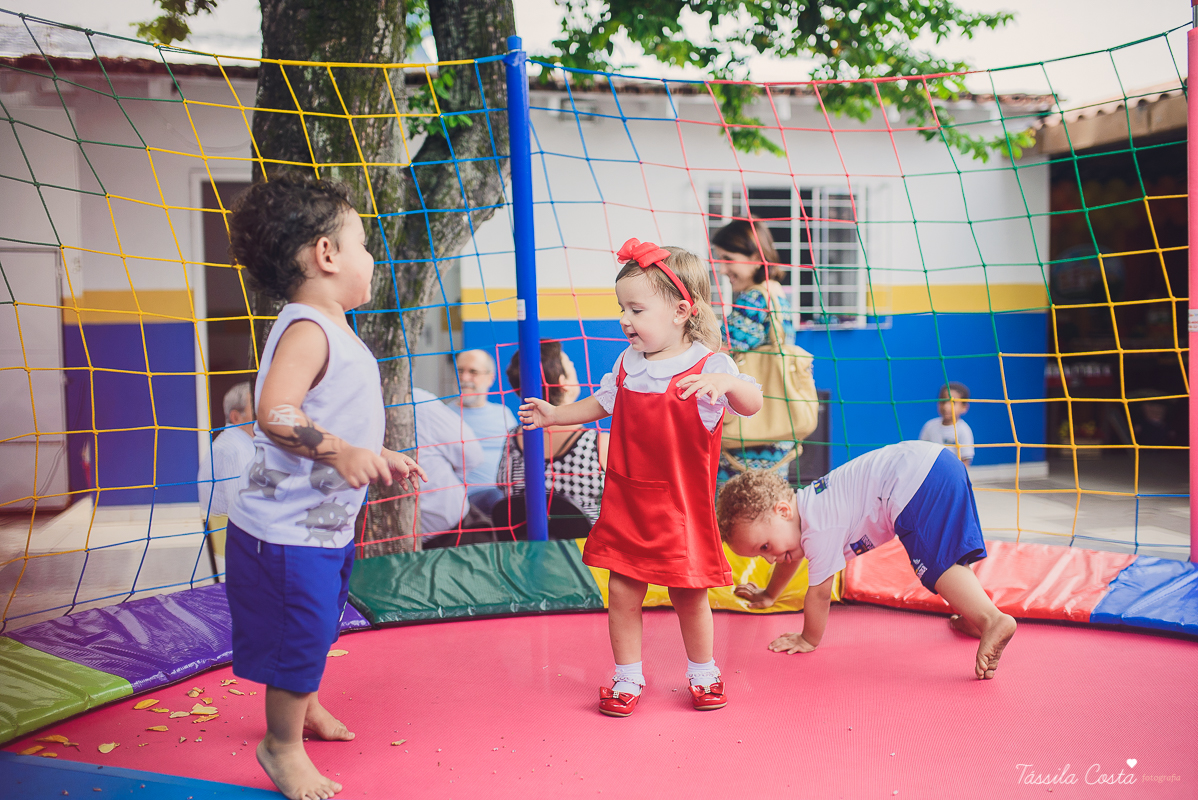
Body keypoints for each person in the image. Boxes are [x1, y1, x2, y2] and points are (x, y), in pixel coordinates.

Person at [225, 176, 426, 800]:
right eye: (362, 244)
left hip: (321, 525)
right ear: (326, 254)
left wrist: (376, 453)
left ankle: (304, 707)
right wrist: (340, 452)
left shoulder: (331, 326)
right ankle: (280, 745)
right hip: (284, 533)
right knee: (299, 632)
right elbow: (276, 412)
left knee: (318, 627)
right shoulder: (308, 328)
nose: (371, 258)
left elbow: (330, 413)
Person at [519, 238, 763, 717]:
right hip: (628, 502)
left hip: (679, 509)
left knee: (688, 596)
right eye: (622, 308)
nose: (625, 320)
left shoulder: (708, 365)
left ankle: (703, 672)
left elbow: (751, 402)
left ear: (679, 310)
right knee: (622, 592)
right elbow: (601, 403)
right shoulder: (628, 365)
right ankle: (627, 676)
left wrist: (729, 384)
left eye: (636, 309)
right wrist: (555, 415)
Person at [716, 440, 1016, 681]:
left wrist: (808, 639)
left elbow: (819, 593)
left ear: (782, 511)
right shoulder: (805, 510)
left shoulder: (818, 526)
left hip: (911, 482)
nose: (769, 559)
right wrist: (769, 595)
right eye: (760, 554)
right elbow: (787, 558)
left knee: (939, 566)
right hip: (938, 462)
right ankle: (976, 616)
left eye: (765, 546)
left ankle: (993, 620)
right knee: (949, 553)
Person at [710, 219, 807, 483]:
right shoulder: (775, 293)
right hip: (774, 435)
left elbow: (717, 346)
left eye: (728, 259)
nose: (723, 269)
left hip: (749, 441)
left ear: (755, 257)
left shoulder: (755, 299)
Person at [495, 340, 608, 537]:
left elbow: (504, 491)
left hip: (523, 555)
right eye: (569, 363)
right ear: (563, 382)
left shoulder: (512, 439)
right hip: (585, 560)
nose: (573, 365)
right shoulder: (598, 444)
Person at [412, 387, 492, 548]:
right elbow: (472, 454)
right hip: (451, 532)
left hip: (457, 524)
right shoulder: (417, 401)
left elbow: (472, 455)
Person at [197, 381, 256, 577]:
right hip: (238, 546)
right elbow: (243, 507)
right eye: (254, 408)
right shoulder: (236, 449)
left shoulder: (234, 444)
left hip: (231, 541)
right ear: (236, 416)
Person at [447, 349, 516, 515]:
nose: (464, 378)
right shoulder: (445, 415)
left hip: (504, 497)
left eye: (473, 372)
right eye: (460, 371)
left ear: (490, 378)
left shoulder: (504, 414)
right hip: (464, 503)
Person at [919, 381, 974, 465]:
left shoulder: (963, 430)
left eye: (952, 403)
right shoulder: (929, 426)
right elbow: (922, 451)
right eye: (943, 401)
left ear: (964, 407)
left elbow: (965, 460)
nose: (946, 406)